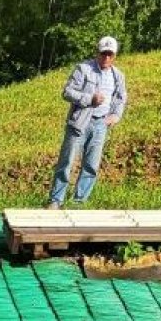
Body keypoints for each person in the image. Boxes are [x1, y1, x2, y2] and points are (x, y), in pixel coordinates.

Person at [47, 36, 127, 209]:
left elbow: (120, 99)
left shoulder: (118, 76)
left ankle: (79, 202)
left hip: (101, 125)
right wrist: (90, 98)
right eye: (103, 53)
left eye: (110, 54)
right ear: (97, 53)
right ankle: (56, 200)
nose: (106, 57)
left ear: (114, 56)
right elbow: (67, 92)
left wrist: (115, 116)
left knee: (91, 165)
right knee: (67, 161)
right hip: (79, 123)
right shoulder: (83, 69)